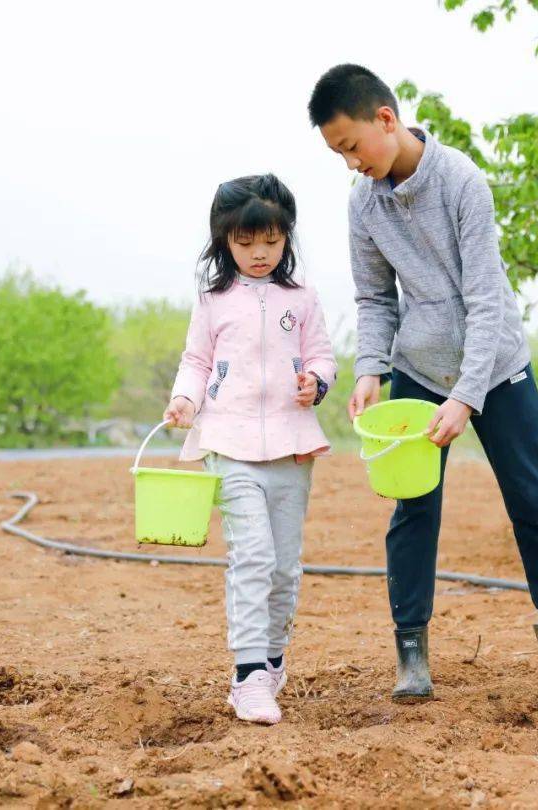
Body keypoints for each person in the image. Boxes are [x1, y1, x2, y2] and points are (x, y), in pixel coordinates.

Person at [308, 64, 538, 702]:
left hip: (495, 369)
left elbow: (485, 298)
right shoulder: (363, 202)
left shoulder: (462, 180)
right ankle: (411, 653)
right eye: (338, 154)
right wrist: (370, 369)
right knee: (413, 508)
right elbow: (373, 297)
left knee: (535, 504)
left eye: (352, 146)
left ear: (384, 120)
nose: (350, 163)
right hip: (418, 369)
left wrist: (467, 396)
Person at [164, 174, 337, 725]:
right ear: (224, 242)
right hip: (229, 442)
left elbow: (323, 356)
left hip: (291, 446)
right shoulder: (213, 301)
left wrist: (316, 380)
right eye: (244, 243)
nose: (259, 254)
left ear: (287, 236)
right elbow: (196, 362)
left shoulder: (302, 297)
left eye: (270, 241)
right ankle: (248, 677)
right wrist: (185, 401)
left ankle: (273, 660)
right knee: (253, 557)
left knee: (285, 568)